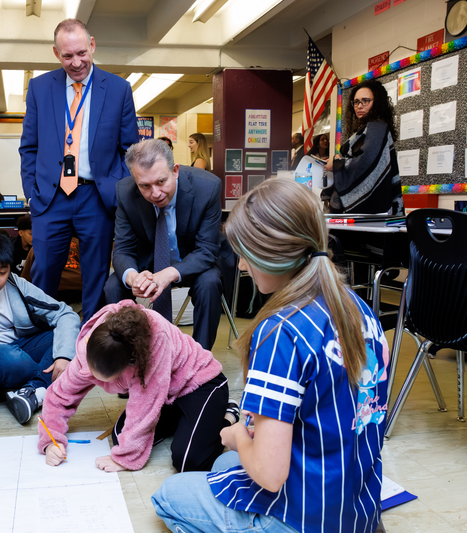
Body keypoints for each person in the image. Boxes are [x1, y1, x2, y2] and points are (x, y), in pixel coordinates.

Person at [152, 179, 390, 533]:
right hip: (355, 507)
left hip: (305, 517)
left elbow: (269, 474)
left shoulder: (280, 332)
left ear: (271, 254)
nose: (241, 266)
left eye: (245, 254)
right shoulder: (359, 308)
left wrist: (237, 435)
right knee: (222, 467)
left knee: (169, 495)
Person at [19, 18, 138, 325]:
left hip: (97, 197)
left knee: (95, 276)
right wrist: (32, 193)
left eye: (82, 53)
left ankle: (91, 339)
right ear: (56, 53)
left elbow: (130, 150)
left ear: (92, 45)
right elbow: (29, 146)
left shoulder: (118, 89)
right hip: (50, 196)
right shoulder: (39, 88)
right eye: (68, 55)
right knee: (44, 272)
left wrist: (117, 191)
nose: (76, 62)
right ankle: (44, 337)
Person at [39, 301, 238, 473]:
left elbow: (144, 405)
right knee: (120, 437)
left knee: (188, 460)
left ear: (128, 365)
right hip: (166, 393)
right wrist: (51, 440)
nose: (90, 376)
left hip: (200, 383)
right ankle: (186, 420)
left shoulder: (152, 346)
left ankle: (227, 415)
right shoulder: (92, 346)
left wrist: (125, 459)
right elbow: (59, 396)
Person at [104, 139, 223, 351]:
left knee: (210, 282)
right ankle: (129, 356)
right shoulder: (124, 192)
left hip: (191, 261)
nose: (155, 193)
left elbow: (207, 250)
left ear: (175, 171)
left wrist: (168, 274)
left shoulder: (208, 187)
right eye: (145, 186)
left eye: (161, 182)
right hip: (148, 264)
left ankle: (200, 357)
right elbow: (122, 249)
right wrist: (133, 277)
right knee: (113, 285)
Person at [0, 232, 80, 425]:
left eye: (2, 272)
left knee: (69, 336)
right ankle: (46, 380)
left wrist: (63, 357)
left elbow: (65, 314)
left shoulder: (16, 285)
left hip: (17, 347)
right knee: (10, 358)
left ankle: (32, 391)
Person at [323, 80, 403, 215]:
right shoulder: (365, 129)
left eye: (365, 101)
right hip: (369, 211)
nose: (359, 106)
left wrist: (337, 163)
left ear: (377, 102)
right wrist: (340, 159)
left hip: (370, 210)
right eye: (356, 102)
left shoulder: (376, 128)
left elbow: (365, 162)